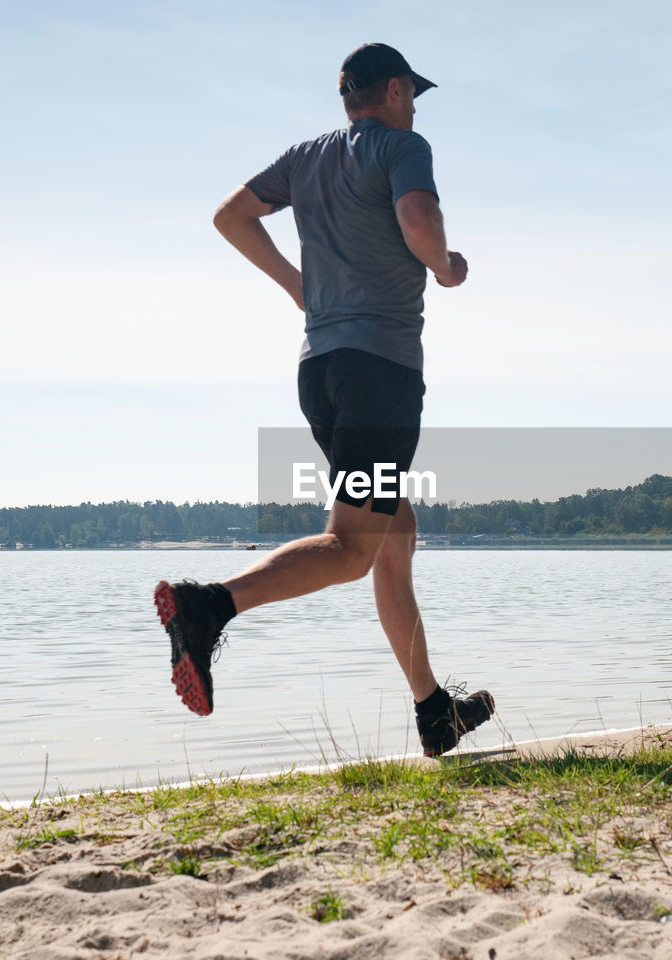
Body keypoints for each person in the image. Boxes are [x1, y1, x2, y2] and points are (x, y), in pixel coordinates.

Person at [153, 43, 495, 758]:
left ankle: (435, 711)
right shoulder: (404, 146)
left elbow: (231, 216)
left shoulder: (305, 158)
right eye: (411, 94)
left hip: (322, 371)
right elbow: (420, 224)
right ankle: (207, 605)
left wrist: (295, 286)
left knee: (393, 529)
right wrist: (447, 267)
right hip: (379, 372)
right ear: (396, 90)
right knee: (350, 547)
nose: (412, 106)